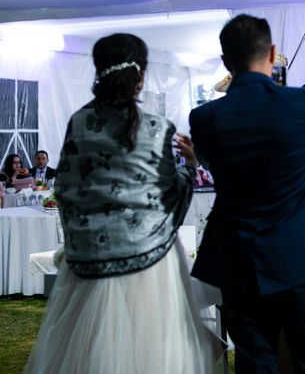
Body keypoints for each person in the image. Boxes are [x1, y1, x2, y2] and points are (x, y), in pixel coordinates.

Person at [25, 33, 217, 374]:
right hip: (149, 264)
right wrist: (191, 166)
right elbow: (170, 198)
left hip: (88, 262)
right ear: (140, 76)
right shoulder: (158, 129)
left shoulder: (79, 123)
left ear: (99, 72)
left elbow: (66, 187)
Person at [190, 14, 305, 373]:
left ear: (226, 60)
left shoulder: (204, 118)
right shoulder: (301, 104)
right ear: (272, 52)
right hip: (302, 255)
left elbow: (211, 163)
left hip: (239, 258)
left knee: (255, 361)